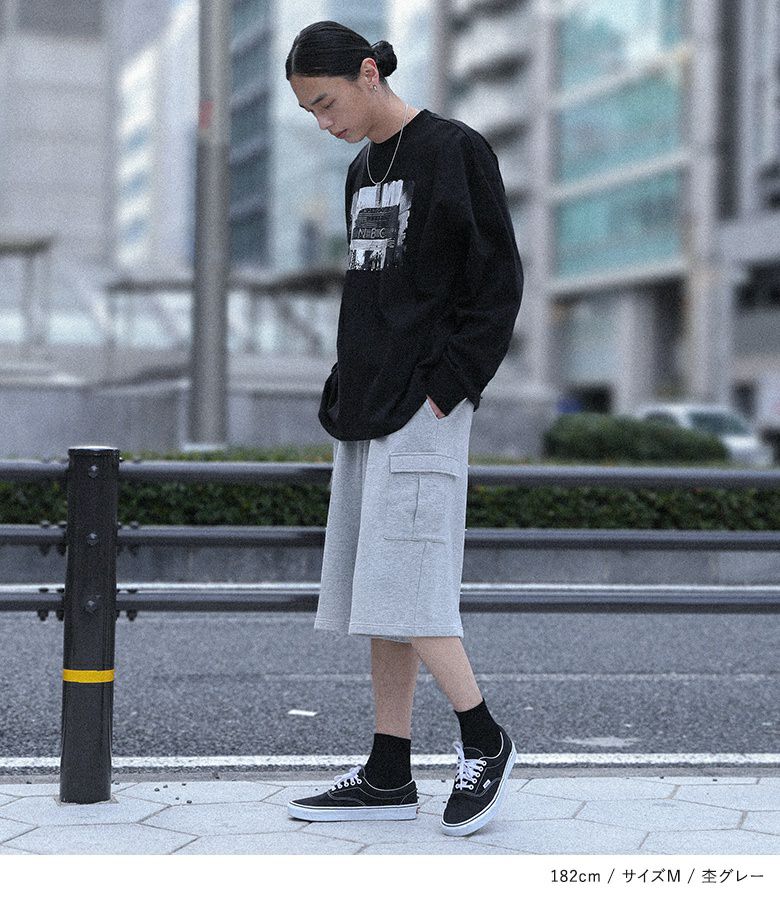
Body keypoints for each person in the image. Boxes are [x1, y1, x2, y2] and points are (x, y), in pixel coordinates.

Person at [284, 21, 523, 837]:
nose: (324, 122)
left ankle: (485, 738)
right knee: (376, 592)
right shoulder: (362, 170)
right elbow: (372, 294)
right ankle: (390, 770)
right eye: (310, 113)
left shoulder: (455, 151)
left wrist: (448, 390)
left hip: (424, 408)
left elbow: (498, 283)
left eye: (326, 103)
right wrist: (346, 381)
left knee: (412, 582)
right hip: (368, 407)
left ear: (366, 73)